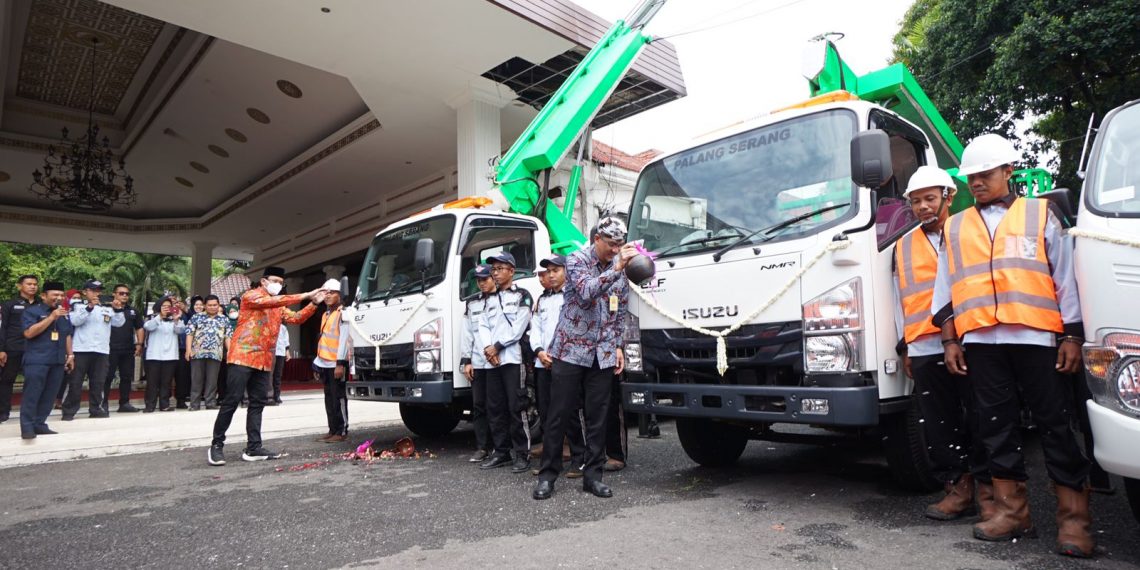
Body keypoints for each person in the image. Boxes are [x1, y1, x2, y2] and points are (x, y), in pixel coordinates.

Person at [932, 134, 1092, 557]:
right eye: (971, 177)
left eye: (985, 174)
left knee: (1056, 425)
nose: (976, 183)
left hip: (1038, 337)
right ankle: (1012, 513)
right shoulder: (955, 226)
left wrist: (1072, 335)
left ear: (1008, 171)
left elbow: (1066, 278)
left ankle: (1074, 521)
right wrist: (950, 339)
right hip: (981, 341)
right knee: (995, 427)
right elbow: (944, 289)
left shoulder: (1041, 213)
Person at [892, 166, 990, 521]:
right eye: (916, 201)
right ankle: (958, 490)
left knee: (981, 416)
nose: (923, 207)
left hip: (971, 338)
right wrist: (905, 345)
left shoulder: (969, 231)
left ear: (948, 197)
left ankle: (991, 492)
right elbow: (898, 298)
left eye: (930, 199)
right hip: (924, 345)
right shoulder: (903, 246)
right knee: (939, 421)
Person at [534, 217, 634, 500]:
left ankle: (593, 477)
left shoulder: (619, 269)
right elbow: (588, 292)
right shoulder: (576, 260)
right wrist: (616, 268)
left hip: (602, 352)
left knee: (597, 418)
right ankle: (547, 476)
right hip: (571, 350)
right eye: (611, 244)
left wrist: (618, 346)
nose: (615, 250)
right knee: (559, 414)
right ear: (597, 239)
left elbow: (620, 310)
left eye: (620, 244)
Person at [207, 267, 326, 466]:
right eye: (274, 281)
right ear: (263, 281)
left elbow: (296, 318)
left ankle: (253, 447)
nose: (278, 285)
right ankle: (216, 445)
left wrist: (314, 303)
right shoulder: (251, 296)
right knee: (231, 401)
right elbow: (272, 301)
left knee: (258, 403)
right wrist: (306, 294)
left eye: (281, 282)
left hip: (263, 361)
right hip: (242, 356)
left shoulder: (278, 305)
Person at [529, 256, 585, 478]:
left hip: (567, 362)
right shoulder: (542, 300)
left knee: (570, 413)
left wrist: (559, 354)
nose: (550, 275)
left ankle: (580, 458)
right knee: (546, 413)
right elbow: (535, 329)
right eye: (548, 271)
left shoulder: (575, 296)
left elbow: (579, 329)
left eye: (555, 270)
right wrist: (539, 351)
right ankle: (552, 461)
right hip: (542, 362)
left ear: (567, 271)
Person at [478, 252, 533, 474]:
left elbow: (519, 327)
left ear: (512, 271)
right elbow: (482, 325)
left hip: (513, 359)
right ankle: (501, 452)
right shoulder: (489, 299)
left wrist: (497, 347)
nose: (496, 273)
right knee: (495, 408)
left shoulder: (522, 295)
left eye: (500, 268)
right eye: (494, 269)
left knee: (516, 407)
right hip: (493, 361)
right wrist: (488, 349)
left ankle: (523, 453)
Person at [62, 279, 125, 420]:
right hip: (81, 349)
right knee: (75, 381)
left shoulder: (106, 307)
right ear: (85, 292)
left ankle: (96, 408)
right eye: (93, 290)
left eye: (99, 290)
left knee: (98, 382)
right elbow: (75, 321)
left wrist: (118, 309)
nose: (97, 293)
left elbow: (119, 323)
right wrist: (89, 307)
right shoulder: (77, 305)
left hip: (101, 350)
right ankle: (69, 410)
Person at [18, 281, 73, 439]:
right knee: (32, 394)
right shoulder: (32, 311)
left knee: (50, 395)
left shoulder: (63, 314)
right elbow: (29, 333)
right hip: (37, 360)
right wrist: (51, 317)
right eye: (55, 295)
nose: (59, 298)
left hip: (57, 361)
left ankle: (40, 424)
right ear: (43, 295)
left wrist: (70, 355)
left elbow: (66, 335)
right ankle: (27, 427)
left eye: (61, 295)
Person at [460, 264, 498, 463]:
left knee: (497, 405)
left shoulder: (502, 298)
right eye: (479, 280)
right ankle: (482, 447)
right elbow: (467, 334)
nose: (482, 283)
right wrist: (466, 361)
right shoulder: (472, 303)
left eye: (485, 279)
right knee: (479, 406)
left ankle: (500, 447)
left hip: (498, 361)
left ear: (494, 278)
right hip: (478, 362)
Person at [313, 279, 351, 443]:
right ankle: (332, 429)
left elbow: (344, 340)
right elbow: (324, 339)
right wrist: (317, 364)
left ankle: (341, 430)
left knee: (339, 397)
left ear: (340, 295)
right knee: (329, 398)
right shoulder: (326, 314)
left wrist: (340, 364)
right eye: (325, 293)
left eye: (331, 293)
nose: (327, 296)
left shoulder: (343, 313)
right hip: (325, 363)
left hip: (337, 363)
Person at [0, 274, 40, 423]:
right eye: (29, 284)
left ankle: (32, 412)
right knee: (7, 380)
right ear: (20, 286)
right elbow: (3, 328)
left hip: (35, 349)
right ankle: (3, 412)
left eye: (35, 284)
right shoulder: (9, 304)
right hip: (13, 347)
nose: (32, 286)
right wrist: (1, 349)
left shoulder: (41, 305)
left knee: (34, 381)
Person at [186, 295, 232, 410]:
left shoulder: (224, 319)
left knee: (212, 380)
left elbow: (227, 337)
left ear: (218, 305)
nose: (212, 307)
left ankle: (210, 403)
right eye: (209, 305)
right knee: (196, 380)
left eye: (215, 305)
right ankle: (194, 404)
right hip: (197, 353)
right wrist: (188, 350)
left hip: (216, 353)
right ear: (205, 306)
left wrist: (230, 351)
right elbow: (189, 333)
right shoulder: (196, 317)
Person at [103, 284, 144, 413]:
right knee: (107, 376)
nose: (125, 296)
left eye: (127, 294)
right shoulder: (106, 309)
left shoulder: (133, 311)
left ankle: (124, 403)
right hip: (110, 348)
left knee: (126, 377)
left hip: (127, 348)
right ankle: (103, 403)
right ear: (114, 294)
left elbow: (139, 327)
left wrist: (139, 344)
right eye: (121, 293)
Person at [143, 297, 185, 412]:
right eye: (164, 306)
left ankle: (164, 404)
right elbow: (148, 327)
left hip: (171, 355)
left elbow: (181, 330)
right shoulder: (152, 317)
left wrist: (176, 319)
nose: (166, 308)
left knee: (166, 382)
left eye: (169, 306)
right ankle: (150, 405)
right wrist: (160, 316)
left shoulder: (174, 319)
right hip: (154, 355)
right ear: (159, 307)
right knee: (152, 382)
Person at [270, 323, 289, 405]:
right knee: (269, 375)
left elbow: (286, 340)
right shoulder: (268, 324)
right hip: (270, 352)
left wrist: (287, 351)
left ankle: (276, 396)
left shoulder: (283, 327)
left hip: (280, 352)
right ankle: (269, 396)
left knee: (278, 375)